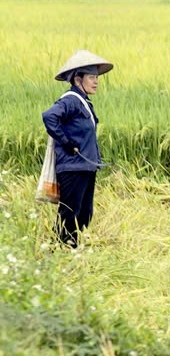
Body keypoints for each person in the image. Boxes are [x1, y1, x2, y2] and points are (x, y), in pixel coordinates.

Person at [41, 49, 114, 247]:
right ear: (77, 79)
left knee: (84, 214)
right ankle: (61, 251)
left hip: (86, 167)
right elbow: (49, 116)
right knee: (70, 213)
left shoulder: (84, 103)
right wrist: (66, 142)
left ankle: (69, 248)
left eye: (97, 77)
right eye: (91, 77)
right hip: (73, 167)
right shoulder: (71, 100)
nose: (96, 81)